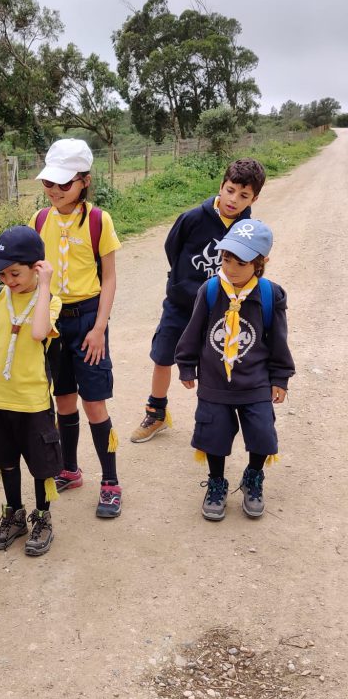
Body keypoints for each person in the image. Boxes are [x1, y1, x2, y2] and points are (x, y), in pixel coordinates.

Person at [130, 157, 266, 444]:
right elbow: (172, 248)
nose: (234, 199)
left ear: (254, 197)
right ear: (221, 185)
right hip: (180, 305)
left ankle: (214, 418)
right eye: (230, 190)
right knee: (163, 356)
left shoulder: (248, 229)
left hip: (219, 309)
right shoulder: (192, 218)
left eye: (244, 196)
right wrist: (183, 285)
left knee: (214, 364)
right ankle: (156, 413)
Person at [174, 219, 295, 521]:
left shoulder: (270, 295)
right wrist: (186, 364)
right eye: (226, 258)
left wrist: (280, 377)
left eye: (241, 262)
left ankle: (253, 476)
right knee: (213, 435)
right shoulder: (211, 290)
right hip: (215, 383)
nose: (231, 267)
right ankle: (216, 481)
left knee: (262, 434)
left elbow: (278, 340)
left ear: (261, 262)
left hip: (255, 383)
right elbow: (195, 330)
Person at [31, 138, 123, 519]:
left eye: (63, 184)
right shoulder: (38, 221)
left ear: (84, 181)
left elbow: (110, 278)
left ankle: (111, 481)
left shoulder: (99, 220)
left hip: (88, 321)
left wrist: (99, 328)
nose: (54, 192)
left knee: (94, 404)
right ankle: (70, 468)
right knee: (63, 401)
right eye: (49, 184)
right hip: (54, 321)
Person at [0, 226, 63, 556]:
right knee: (5, 460)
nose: (8, 280)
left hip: (32, 399)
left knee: (40, 464)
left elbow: (37, 333)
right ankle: (14, 513)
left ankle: (42, 517)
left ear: (37, 267)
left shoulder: (49, 300)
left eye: (15, 273)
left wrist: (46, 284)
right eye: (3, 274)